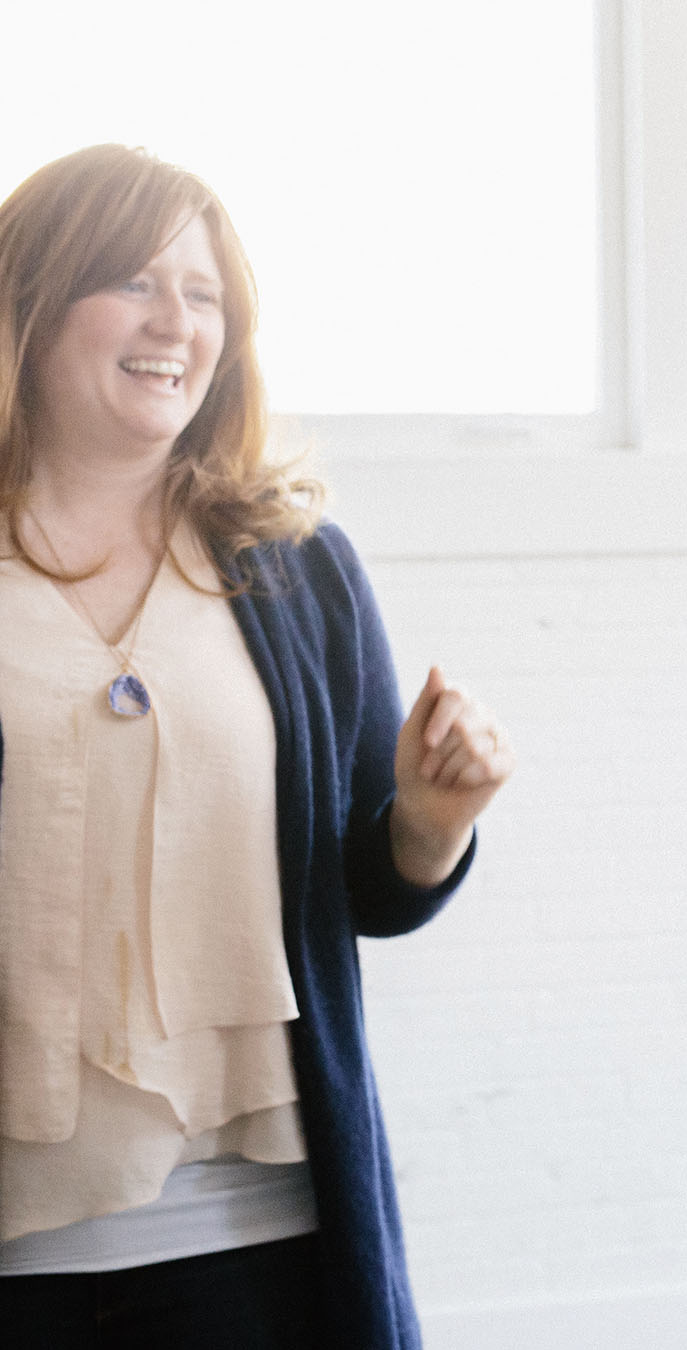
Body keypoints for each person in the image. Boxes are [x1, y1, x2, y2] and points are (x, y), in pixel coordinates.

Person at [0, 144, 512, 1349]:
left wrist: (435, 825)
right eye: (133, 280)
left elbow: (362, 891)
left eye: (207, 293)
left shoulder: (295, 568)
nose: (176, 320)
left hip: (251, 1242)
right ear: (31, 299)